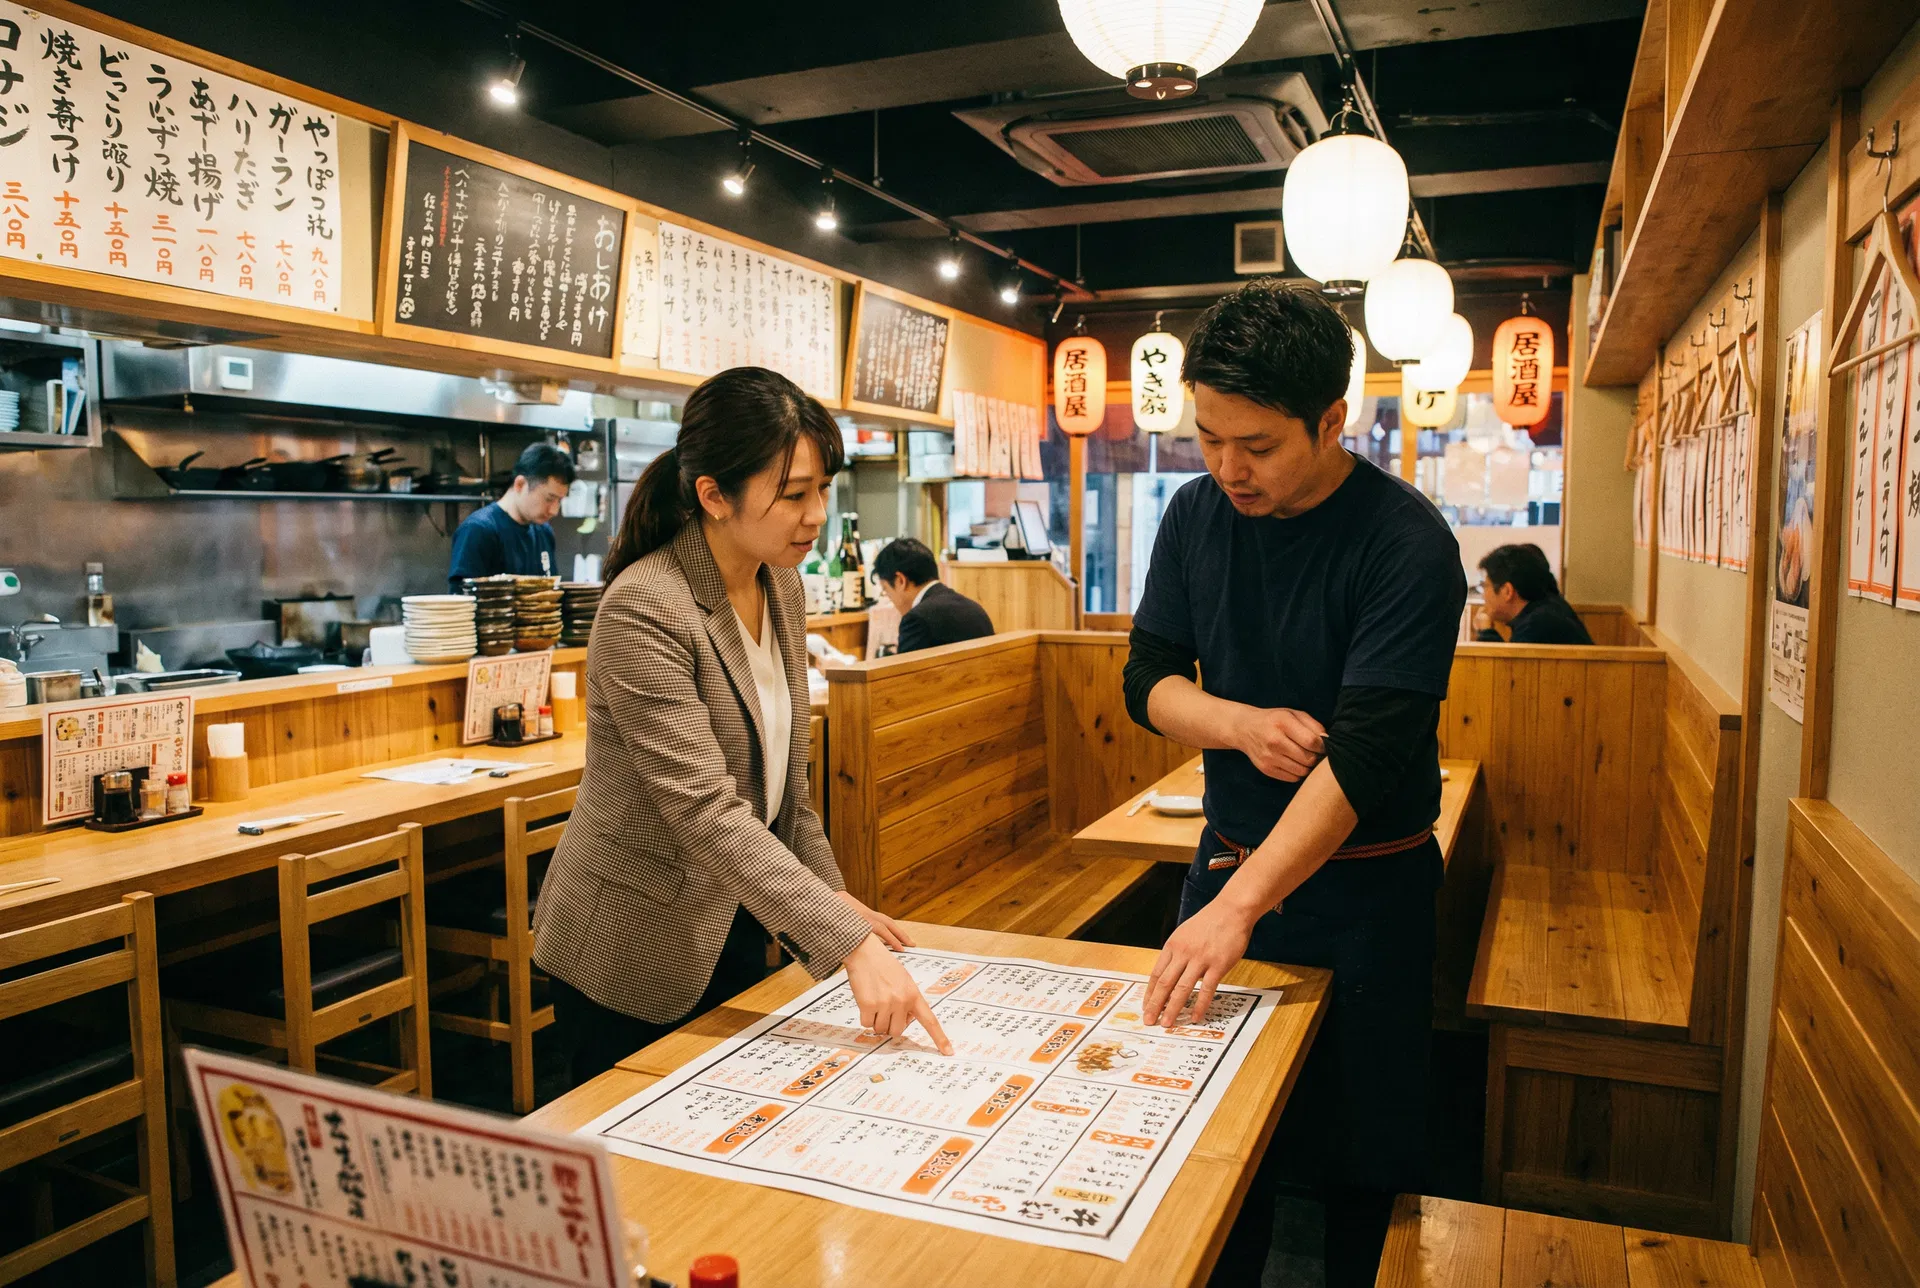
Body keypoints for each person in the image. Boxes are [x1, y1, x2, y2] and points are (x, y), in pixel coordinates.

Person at [1120, 281, 1466, 1287]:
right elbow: (1148, 683)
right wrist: (1239, 723)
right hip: (1224, 872)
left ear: (1332, 418)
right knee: (1212, 1142)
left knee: (1365, 1155)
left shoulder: (1406, 543)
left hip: (1369, 893)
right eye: (1209, 438)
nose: (1229, 467)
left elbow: (1366, 758)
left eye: (1258, 445)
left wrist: (1239, 904)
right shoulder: (1195, 514)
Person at [531, 367, 951, 1088]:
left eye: (823, 488)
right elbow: (707, 810)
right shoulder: (646, 608)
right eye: (794, 494)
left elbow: (790, 794)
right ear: (713, 495)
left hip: (731, 921)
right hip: (629, 949)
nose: (816, 513)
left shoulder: (778, 583)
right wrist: (847, 944)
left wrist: (832, 904)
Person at [447, 443, 575, 588]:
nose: (554, 510)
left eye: (559, 501)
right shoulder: (478, 530)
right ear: (520, 484)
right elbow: (463, 602)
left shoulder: (544, 533)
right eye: (549, 499)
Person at [873, 538, 995, 653]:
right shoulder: (974, 609)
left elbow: (905, 674)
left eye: (885, 589)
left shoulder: (917, 620)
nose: (889, 597)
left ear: (900, 580)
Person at [1473, 543, 1594, 644]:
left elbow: (1509, 670)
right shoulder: (1547, 608)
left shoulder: (1537, 625)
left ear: (1507, 591)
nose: (1483, 595)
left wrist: (1486, 633)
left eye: (1485, 586)